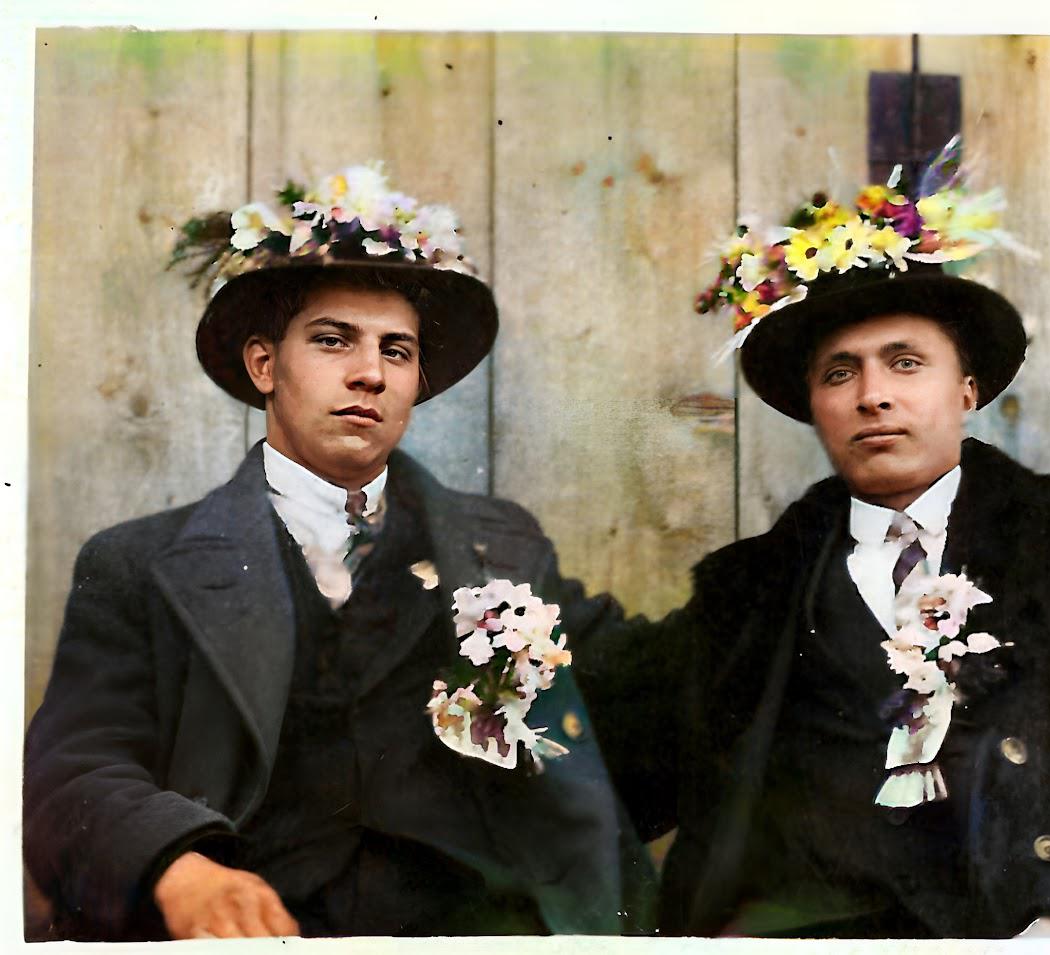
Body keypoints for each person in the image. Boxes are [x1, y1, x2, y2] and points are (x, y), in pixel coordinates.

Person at [576, 154, 1050, 939]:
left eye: (904, 363)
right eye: (839, 373)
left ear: (965, 389)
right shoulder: (747, 596)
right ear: (815, 406)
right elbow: (595, 758)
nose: (872, 394)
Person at [24, 164, 651, 941]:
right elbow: (73, 769)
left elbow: (634, 698)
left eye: (397, 350)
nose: (369, 373)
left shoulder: (502, 548)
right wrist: (179, 867)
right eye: (332, 340)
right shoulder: (139, 565)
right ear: (264, 364)